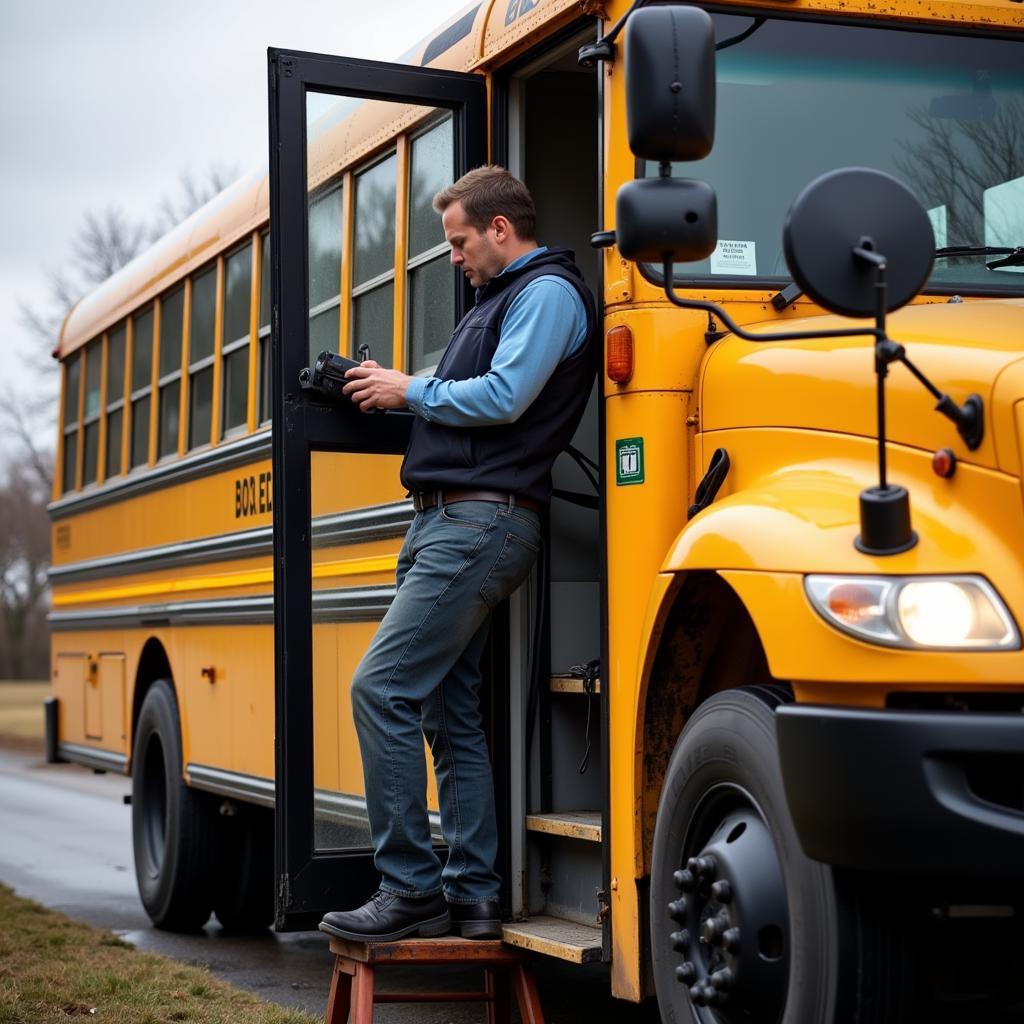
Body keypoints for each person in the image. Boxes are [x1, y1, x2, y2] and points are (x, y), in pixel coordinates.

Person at [318, 165, 597, 943]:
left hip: (480, 524)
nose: (453, 256)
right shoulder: (499, 302)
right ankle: (473, 894)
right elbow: (457, 390)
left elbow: (506, 398)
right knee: (448, 712)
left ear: (500, 230)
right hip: (448, 521)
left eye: (459, 239)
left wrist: (411, 390)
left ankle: (409, 887)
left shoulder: (545, 293)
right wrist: (386, 387)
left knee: (381, 689)